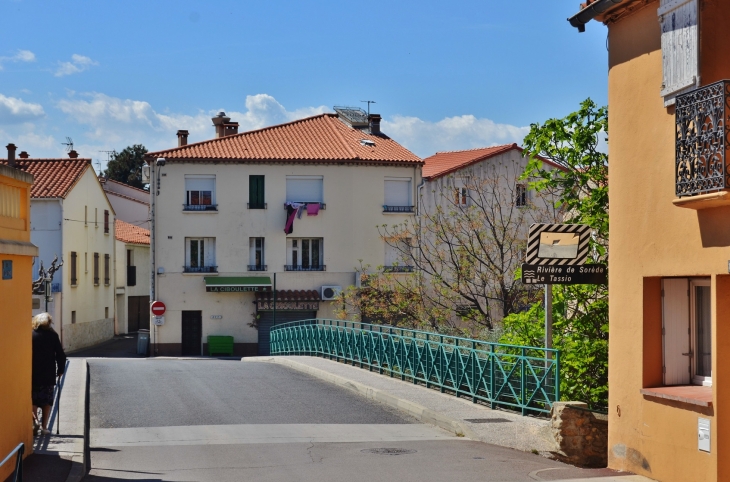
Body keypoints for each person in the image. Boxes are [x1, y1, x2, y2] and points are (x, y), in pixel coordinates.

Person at [31, 313, 66, 436]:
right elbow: (60, 354)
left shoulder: (31, 335)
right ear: (48, 323)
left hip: (33, 373)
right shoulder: (53, 335)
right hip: (48, 374)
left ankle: (35, 421)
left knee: (33, 400)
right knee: (47, 401)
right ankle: (44, 427)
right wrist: (60, 370)